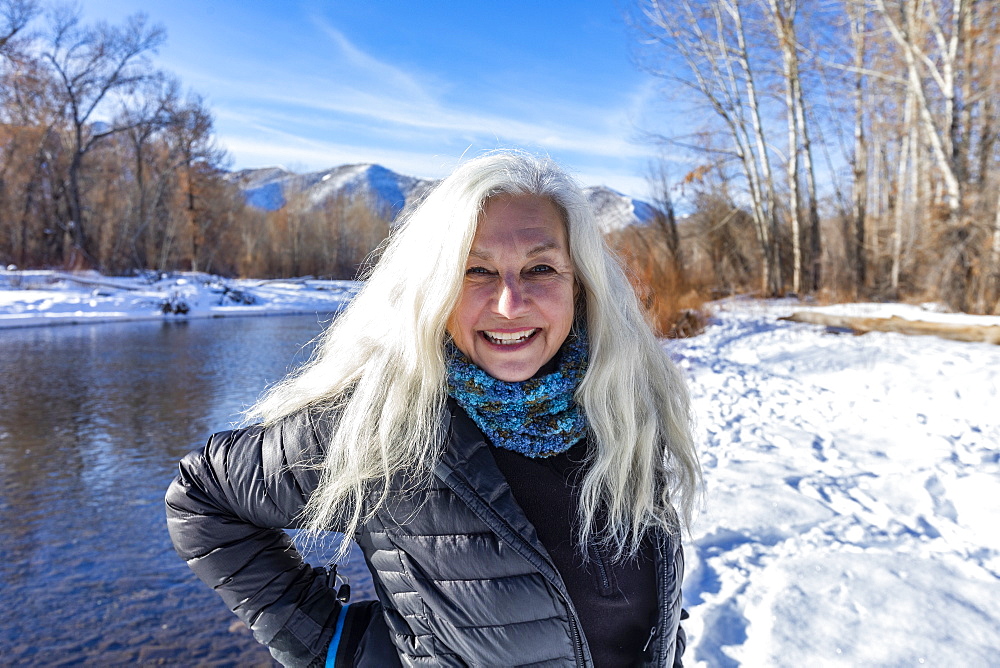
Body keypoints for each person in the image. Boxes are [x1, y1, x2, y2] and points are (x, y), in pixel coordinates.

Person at [166, 150, 702, 667]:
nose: (510, 303)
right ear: (433, 287)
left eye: (540, 268)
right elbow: (202, 497)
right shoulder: (385, 424)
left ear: (580, 284)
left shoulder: (622, 406)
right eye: (476, 271)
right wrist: (339, 650)